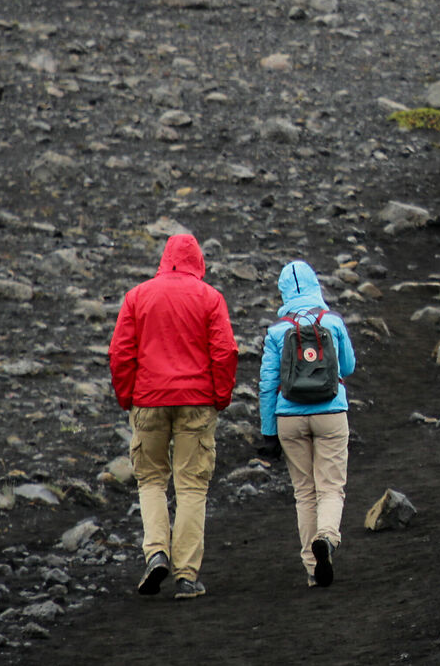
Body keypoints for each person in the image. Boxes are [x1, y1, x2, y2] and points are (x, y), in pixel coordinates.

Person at [109, 232, 238, 600]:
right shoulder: (210, 298)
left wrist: (128, 398)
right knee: (191, 485)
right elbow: (225, 352)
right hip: (197, 402)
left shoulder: (138, 296)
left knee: (150, 480)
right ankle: (186, 575)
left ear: (165, 259)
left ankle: (156, 554)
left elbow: (120, 353)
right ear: (198, 260)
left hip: (148, 400)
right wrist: (220, 397)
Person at [259, 260, 357, 589]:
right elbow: (348, 366)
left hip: (289, 418)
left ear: (283, 291)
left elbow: (267, 383)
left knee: (304, 493)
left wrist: (268, 432)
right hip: (331, 413)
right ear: (317, 285)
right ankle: (327, 538)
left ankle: (313, 570)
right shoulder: (333, 322)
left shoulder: (276, 331)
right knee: (330, 488)